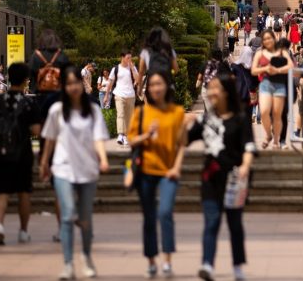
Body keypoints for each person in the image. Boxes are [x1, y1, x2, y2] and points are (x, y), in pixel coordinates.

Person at [40, 67, 109, 279]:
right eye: (69, 84)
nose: (73, 87)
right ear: (64, 87)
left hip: (87, 170)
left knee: (86, 219)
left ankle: (86, 257)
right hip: (62, 169)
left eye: (76, 83)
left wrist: (104, 159)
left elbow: (98, 139)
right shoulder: (57, 111)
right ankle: (68, 264)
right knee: (68, 215)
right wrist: (44, 163)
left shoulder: (93, 110)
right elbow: (50, 139)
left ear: (82, 84)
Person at [188, 71, 255, 281]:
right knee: (212, 221)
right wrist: (183, 123)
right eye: (210, 88)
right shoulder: (206, 118)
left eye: (216, 87)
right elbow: (184, 141)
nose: (211, 92)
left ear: (226, 92)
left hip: (235, 179)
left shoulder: (241, 118)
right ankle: (207, 264)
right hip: (211, 178)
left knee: (234, 224)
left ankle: (237, 266)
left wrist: (245, 166)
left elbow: (249, 147)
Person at [128, 70, 186, 279]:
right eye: (151, 85)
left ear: (167, 86)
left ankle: (168, 259)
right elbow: (131, 140)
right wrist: (146, 135)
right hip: (145, 171)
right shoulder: (141, 112)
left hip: (168, 172)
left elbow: (182, 145)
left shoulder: (177, 112)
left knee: (165, 212)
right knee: (149, 217)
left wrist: (177, 167)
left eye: (159, 84)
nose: (155, 88)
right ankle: (152, 259)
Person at [0, 62, 42, 246]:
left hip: (1, 151)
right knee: (24, 191)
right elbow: (36, 129)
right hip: (22, 151)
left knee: (1, 190)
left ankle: (0, 226)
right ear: (26, 79)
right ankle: (23, 232)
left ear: (9, 77)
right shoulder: (28, 103)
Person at [251, 29, 293, 149]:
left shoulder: (282, 51)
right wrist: (265, 69)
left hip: (279, 84)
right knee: (264, 111)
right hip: (265, 83)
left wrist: (277, 70)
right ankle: (268, 135)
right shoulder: (260, 53)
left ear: (274, 38)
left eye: (269, 38)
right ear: (262, 41)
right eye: (265, 39)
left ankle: (276, 141)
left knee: (277, 114)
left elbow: (290, 65)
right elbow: (253, 70)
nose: (267, 41)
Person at [104, 50, 139, 146]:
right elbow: (110, 83)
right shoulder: (116, 69)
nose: (129, 60)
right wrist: (106, 95)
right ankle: (120, 134)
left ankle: (127, 136)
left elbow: (137, 80)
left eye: (130, 58)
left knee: (129, 117)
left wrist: (132, 69)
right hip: (119, 94)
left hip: (130, 95)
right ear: (122, 57)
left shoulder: (133, 68)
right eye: (128, 58)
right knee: (120, 114)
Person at [139, 28, 179, 92]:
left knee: (150, 100)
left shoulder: (145, 51)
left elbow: (141, 71)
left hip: (152, 83)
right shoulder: (169, 50)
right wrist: (169, 72)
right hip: (166, 83)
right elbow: (176, 69)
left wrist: (140, 88)